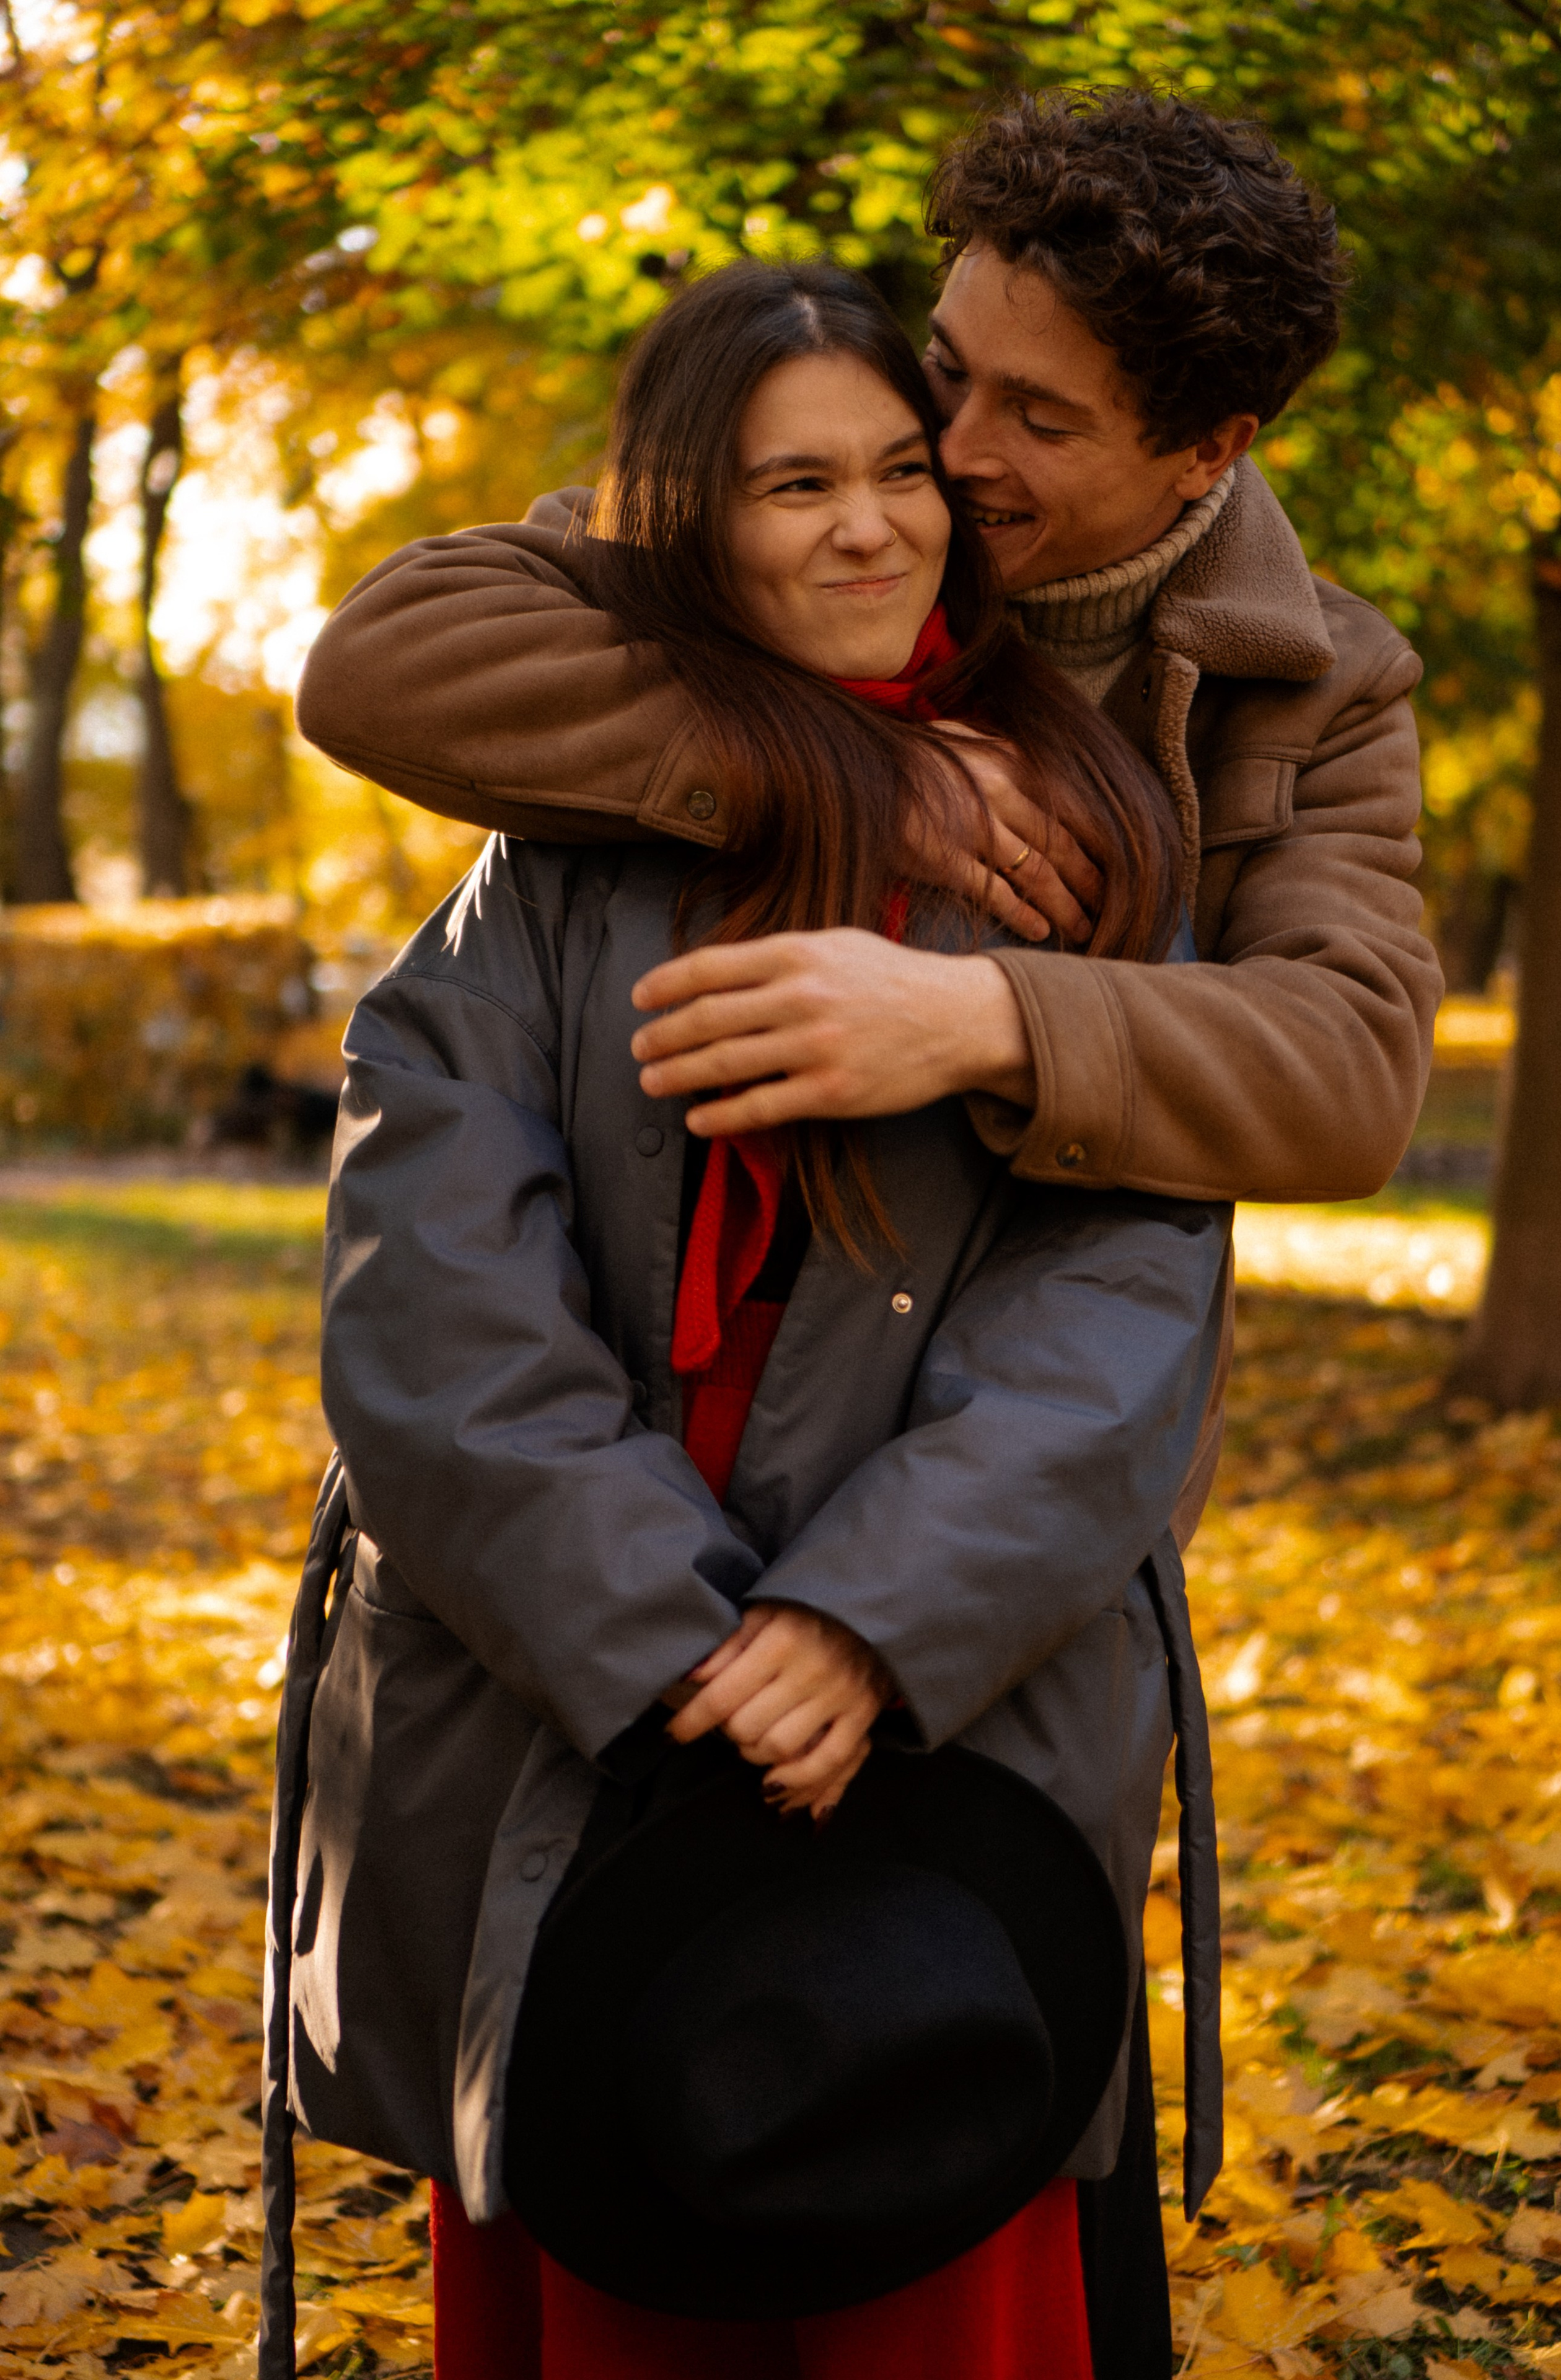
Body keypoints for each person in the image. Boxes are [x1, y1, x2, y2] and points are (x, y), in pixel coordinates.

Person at [260, 260, 1231, 2380]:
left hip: (946, 1703)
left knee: (925, 2265)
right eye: (797, 484)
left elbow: (1124, 1314)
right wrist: (675, 1650)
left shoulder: (1083, 856)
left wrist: (867, 1626)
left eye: (905, 471)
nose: (871, 527)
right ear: (689, 522)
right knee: (619, 2242)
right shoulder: (538, 884)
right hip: (575, 1698)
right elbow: (431, 1317)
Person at [295, 86, 1441, 1256]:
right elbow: (382, 663)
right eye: (950, 368)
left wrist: (983, 1019)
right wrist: (861, 774)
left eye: (1040, 421)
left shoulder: (1321, 683)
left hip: (1034, 1326)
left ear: (1208, 451)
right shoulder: (828, 513)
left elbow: (1349, 1071)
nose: (951, 452)